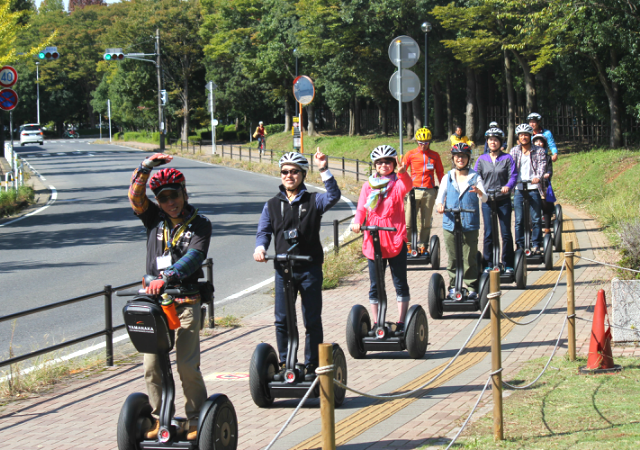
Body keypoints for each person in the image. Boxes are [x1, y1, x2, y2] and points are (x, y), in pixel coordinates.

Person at [128, 153, 211, 441]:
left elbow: (195, 256)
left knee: (187, 365)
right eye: (163, 198)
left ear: (184, 193)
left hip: (185, 302)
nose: (170, 202)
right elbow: (136, 198)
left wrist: (167, 277)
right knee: (152, 366)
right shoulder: (154, 218)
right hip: (155, 306)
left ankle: (196, 418)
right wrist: (145, 168)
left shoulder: (200, 224)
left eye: (174, 195)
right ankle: (159, 418)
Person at [254, 149, 340, 379]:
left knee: (311, 319)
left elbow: (333, 196)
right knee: (282, 319)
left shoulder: (314, 200)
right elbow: (263, 231)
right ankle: (286, 363)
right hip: (284, 270)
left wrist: (324, 169)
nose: (288, 176)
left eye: (294, 172)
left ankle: (312, 365)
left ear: (302, 174)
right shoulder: (271, 205)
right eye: (284, 172)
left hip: (309, 268)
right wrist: (260, 248)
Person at [351, 145, 413, 333]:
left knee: (399, 281)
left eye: (387, 162)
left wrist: (403, 173)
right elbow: (362, 208)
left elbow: (408, 186)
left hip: (395, 237)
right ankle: (378, 322)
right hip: (373, 239)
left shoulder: (398, 183)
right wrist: (356, 222)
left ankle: (402, 322)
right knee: (375, 284)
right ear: (375, 165)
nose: (383, 165)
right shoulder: (368, 185)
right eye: (379, 162)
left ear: (393, 163)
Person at [436, 143, 488, 299]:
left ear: (468, 158)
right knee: (452, 257)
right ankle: (453, 286)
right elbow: (440, 196)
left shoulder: (475, 177)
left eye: (464, 156)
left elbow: (485, 198)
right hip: (450, 222)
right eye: (458, 156)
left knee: (469, 256)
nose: (460, 159)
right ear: (453, 158)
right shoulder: (448, 177)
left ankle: (472, 286)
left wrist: (479, 192)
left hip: (469, 223)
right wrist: (440, 204)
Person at [474, 128, 517, 273]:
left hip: (503, 199)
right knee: (489, 233)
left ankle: (508, 263)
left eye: (496, 139)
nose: (493, 142)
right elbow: (476, 177)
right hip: (487, 201)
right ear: (487, 142)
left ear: (500, 142)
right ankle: (488, 263)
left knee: (505, 232)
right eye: (490, 139)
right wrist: (479, 190)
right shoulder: (481, 159)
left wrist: (507, 186)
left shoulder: (507, 158)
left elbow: (513, 175)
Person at [402, 127, 444, 255]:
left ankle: (423, 245)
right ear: (417, 142)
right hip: (413, 191)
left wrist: (444, 191)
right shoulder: (410, 154)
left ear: (429, 142)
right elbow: (402, 172)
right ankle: (407, 245)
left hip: (429, 191)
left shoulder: (435, 155)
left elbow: (441, 173)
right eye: (421, 142)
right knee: (408, 221)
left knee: (426, 222)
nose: (423, 145)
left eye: (426, 143)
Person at [510, 124, 547, 254]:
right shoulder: (514, 151)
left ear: (530, 136)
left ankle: (536, 245)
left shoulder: (539, 151)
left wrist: (537, 177)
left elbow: (542, 165)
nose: (523, 137)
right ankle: (519, 245)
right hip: (519, 188)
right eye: (521, 135)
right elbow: (510, 167)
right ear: (518, 137)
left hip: (533, 188)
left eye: (526, 135)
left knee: (536, 218)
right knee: (519, 220)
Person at [532, 133, 557, 235]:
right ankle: (531, 228)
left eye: (541, 141)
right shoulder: (530, 156)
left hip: (543, 184)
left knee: (545, 204)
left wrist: (547, 174)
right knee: (531, 206)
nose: (539, 143)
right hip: (532, 184)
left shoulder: (547, 158)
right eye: (536, 141)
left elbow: (550, 170)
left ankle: (547, 227)